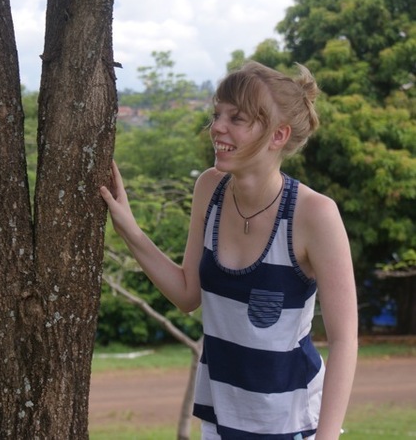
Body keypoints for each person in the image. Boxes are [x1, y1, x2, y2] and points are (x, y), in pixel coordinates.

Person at [100, 61, 358, 439]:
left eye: (237, 118)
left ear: (278, 136)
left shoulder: (315, 215)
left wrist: (327, 437)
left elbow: (344, 338)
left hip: (291, 423)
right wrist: (130, 230)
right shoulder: (210, 188)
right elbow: (189, 293)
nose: (217, 127)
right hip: (220, 421)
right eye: (217, 114)